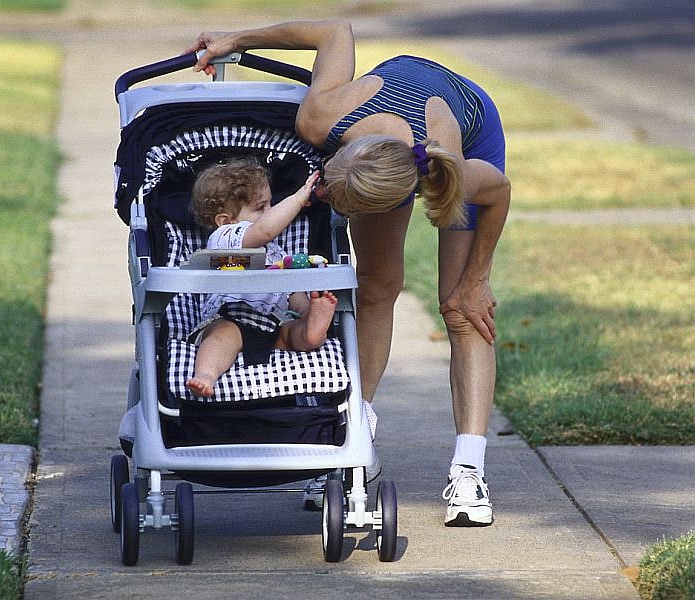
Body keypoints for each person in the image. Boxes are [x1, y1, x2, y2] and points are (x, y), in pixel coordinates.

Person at [186, 21, 511, 527]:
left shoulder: (444, 170)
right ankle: (354, 439)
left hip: (462, 134)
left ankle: (469, 470)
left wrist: (477, 277)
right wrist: (238, 40)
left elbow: (499, 193)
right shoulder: (321, 119)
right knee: (376, 288)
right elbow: (335, 31)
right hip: (383, 136)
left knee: (461, 310)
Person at [186, 158, 338, 398]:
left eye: (270, 204)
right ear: (225, 220)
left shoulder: (277, 253)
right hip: (232, 316)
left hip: (275, 321)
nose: (271, 212)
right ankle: (206, 374)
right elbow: (263, 230)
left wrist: (307, 310)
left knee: (294, 334)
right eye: (261, 208)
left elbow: (292, 292)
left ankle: (311, 331)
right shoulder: (224, 240)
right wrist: (298, 199)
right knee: (221, 339)